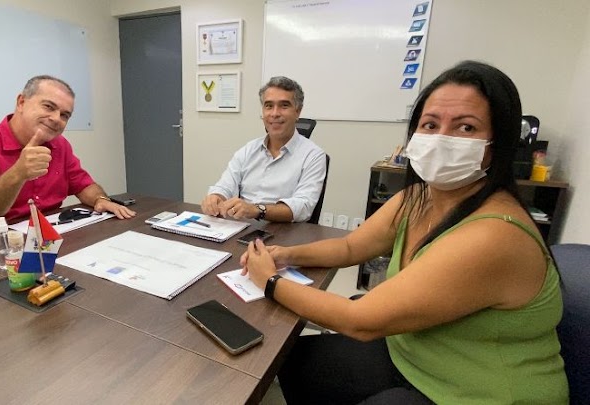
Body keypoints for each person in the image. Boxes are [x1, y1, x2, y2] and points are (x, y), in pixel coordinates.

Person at [242, 61, 568, 404]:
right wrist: (287, 255)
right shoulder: (418, 197)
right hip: (413, 351)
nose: (442, 138)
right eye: (430, 124)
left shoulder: (494, 236)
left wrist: (271, 282)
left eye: (466, 128)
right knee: (296, 361)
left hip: (477, 391)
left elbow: (360, 321)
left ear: (497, 143)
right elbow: (352, 247)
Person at [0, 75, 135, 230]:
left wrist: (99, 199)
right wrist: (18, 173)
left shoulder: (59, 145)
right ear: (21, 102)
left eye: (65, 115)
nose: (56, 119)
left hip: (48, 240)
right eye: (48, 106)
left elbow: (82, 184)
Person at [201, 76, 326, 223]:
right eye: (268, 106)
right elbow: (225, 185)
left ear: (297, 111)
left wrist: (257, 210)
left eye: (284, 106)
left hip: (285, 234)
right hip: (242, 228)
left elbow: (303, 207)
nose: (274, 113)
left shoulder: (313, 156)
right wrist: (216, 196)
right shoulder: (248, 150)